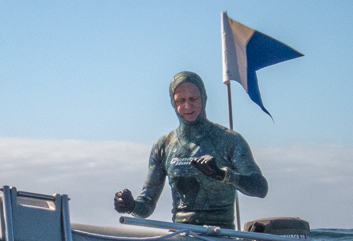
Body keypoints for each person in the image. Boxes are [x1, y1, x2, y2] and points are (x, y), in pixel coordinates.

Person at [114, 71, 267, 228]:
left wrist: (223, 175)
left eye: (193, 99)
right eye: (181, 100)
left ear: (204, 98)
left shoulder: (230, 140)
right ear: (173, 103)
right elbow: (146, 205)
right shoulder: (163, 146)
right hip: (182, 237)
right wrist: (131, 206)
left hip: (221, 236)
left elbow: (260, 188)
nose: (188, 106)